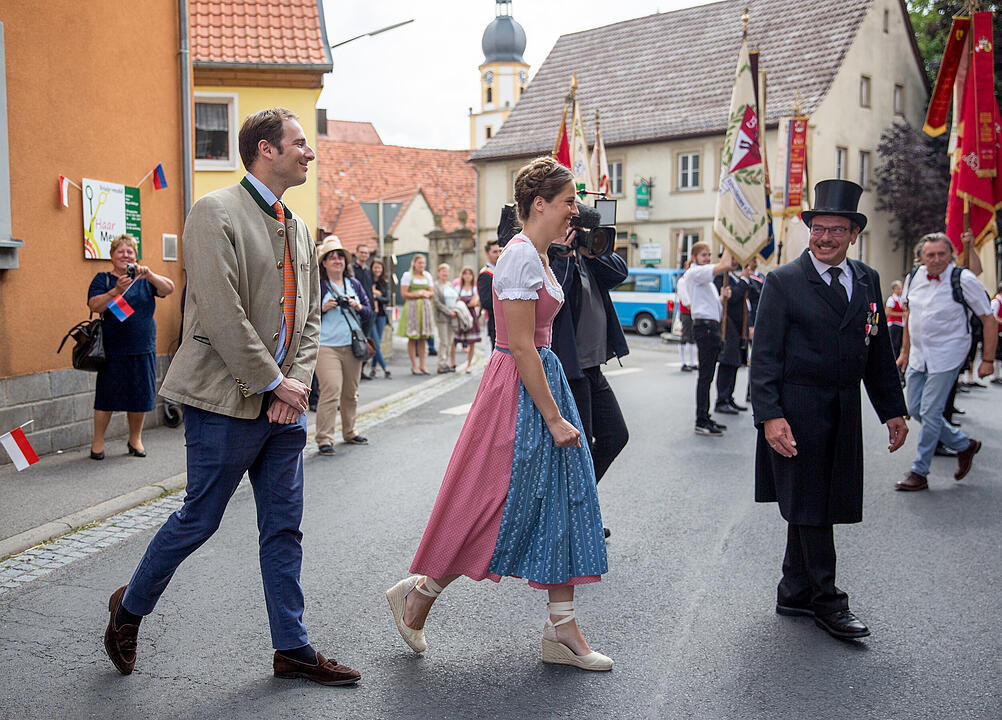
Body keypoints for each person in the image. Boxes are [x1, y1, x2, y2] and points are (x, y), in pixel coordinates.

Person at [102, 108, 360, 686]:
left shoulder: (297, 225)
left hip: (282, 406)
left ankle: (292, 648)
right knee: (199, 520)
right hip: (223, 401)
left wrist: (290, 390)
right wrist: (273, 382)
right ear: (266, 149)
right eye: (300, 143)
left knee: (284, 528)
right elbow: (221, 313)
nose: (309, 153)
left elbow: (308, 317)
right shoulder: (213, 211)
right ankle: (128, 610)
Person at [386, 156, 611, 671]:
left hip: (540, 381)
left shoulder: (543, 254)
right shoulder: (518, 258)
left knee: (560, 502)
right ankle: (419, 594)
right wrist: (553, 418)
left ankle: (562, 629)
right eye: (569, 202)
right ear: (539, 204)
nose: (575, 211)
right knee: (488, 500)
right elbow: (521, 348)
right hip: (517, 389)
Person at [750, 179, 908, 641]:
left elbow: (876, 351)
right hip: (797, 407)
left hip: (843, 406)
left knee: (814, 501)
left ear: (853, 234)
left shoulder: (867, 279)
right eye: (818, 229)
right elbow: (764, 358)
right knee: (813, 503)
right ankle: (827, 600)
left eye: (836, 230)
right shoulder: (782, 281)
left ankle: (794, 590)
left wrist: (892, 410)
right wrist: (770, 415)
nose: (825, 238)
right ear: (809, 231)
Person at [894, 232, 996, 491]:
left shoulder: (963, 279)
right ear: (921, 257)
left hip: (948, 355)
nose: (937, 259)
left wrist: (987, 360)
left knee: (930, 412)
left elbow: (988, 318)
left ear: (951, 254)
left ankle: (919, 471)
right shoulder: (914, 277)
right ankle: (964, 444)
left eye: (942, 253)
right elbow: (909, 315)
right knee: (915, 408)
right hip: (919, 355)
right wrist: (905, 352)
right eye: (931, 254)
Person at [549, 226, 630, 540]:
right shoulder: (554, 256)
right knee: (578, 449)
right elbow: (555, 296)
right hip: (571, 371)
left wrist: (592, 251)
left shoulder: (590, 260)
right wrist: (563, 254)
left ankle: (574, 510)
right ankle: (573, 518)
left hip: (592, 368)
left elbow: (619, 272)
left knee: (615, 435)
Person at [86, 233, 175, 460]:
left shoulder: (145, 280)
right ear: (112, 256)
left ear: (136, 257)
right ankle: (97, 444)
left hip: (142, 347)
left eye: (130, 252)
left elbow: (169, 289)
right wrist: (115, 290)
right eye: (120, 251)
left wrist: (150, 274)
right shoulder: (103, 279)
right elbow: (94, 304)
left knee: (140, 397)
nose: (125, 255)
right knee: (105, 398)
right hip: (113, 350)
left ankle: (135, 440)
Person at [315, 236, 372, 456]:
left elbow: (369, 313)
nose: (337, 260)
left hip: (352, 346)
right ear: (324, 263)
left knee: (350, 393)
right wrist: (323, 307)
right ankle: (324, 438)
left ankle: (350, 431)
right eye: (332, 257)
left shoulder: (354, 284)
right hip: (326, 346)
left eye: (340, 257)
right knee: (331, 390)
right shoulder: (319, 286)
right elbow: (307, 315)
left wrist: (357, 306)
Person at [681, 242, 738, 436]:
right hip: (704, 328)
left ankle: (705, 416)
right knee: (705, 376)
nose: (707, 258)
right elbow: (723, 266)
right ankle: (701, 419)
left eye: (709, 255)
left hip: (711, 326)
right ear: (695, 257)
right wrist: (729, 243)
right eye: (704, 255)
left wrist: (722, 298)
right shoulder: (696, 273)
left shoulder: (706, 280)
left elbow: (714, 307)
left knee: (708, 376)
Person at [714, 264, 749, 415]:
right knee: (727, 362)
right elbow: (732, 297)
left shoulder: (734, 277)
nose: (735, 262)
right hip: (727, 326)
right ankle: (721, 399)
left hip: (738, 327)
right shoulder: (721, 278)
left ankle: (729, 397)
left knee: (735, 363)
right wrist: (744, 282)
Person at [397, 254, 435, 375]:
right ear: (414, 263)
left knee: (423, 338)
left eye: (423, 263)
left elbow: (431, 292)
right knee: (413, 338)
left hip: (424, 309)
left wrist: (427, 294)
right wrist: (419, 294)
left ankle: (422, 365)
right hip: (412, 308)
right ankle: (414, 365)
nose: (422, 265)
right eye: (419, 263)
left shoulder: (427, 275)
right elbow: (404, 294)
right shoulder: (407, 276)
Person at [351, 244, 375, 379]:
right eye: (362, 252)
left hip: (368, 310)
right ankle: (357, 371)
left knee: (366, 341)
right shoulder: (353, 270)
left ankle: (362, 370)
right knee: (358, 341)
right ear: (357, 253)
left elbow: (371, 290)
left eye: (366, 253)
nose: (364, 255)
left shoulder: (368, 270)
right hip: (357, 311)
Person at [454, 266, 482, 373]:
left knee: (472, 342)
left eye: (469, 274)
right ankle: (453, 363)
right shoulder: (458, 288)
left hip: (471, 316)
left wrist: (464, 303)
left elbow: (474, 302)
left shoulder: (475, 288)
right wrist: (467, 303)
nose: (467, 276)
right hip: (460, 315)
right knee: (455, 340)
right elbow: (456, 301)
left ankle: (469, 365)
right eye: (465, 273)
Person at [433, 263, 459, 373]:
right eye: (442, 271)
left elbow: (457, 298)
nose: (445, 273)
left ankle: (446, 362)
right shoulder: (436, 286)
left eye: (446, 271)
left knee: (450, 341)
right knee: (443, 341)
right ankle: (441, 364)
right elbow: (437, 302)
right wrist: (448, 312)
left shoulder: (450, 285)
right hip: (442, 317)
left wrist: (456, 310)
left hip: (452, 317)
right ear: (439, 273)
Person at [368, 259, 391, 379]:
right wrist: (375, 295)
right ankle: (385, 368)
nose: (377, 270)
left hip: (381, 315)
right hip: (371, 314)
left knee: (378, 343)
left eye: (379, 268)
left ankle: (373, 368)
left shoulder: (384, 283)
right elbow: (367, 296)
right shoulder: (368, 281)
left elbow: (387, 299)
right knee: (376, 343)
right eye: (375, 267)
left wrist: (377, 295)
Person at [478, 238, 502, 347]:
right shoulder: (485, 274)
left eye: (500, 251)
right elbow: (486, 301)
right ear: (487, 254)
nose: (498, 254)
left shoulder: (503, 270)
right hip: (495, 320)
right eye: (494, 252)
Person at [675, 267, 697, 371]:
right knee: (685, 336)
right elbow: (684, 299)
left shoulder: (692, 281)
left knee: (692, 337)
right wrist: (692, 308)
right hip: (686, 312)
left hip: (692, 312)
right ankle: (683, 362)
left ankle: (692, 362)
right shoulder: (683, 281)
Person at [992, 282, 1002, 384]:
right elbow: (992, 316)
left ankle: (998, 375)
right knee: (998, 353)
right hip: (997, 331)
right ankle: (995, 375)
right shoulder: (996, 301)